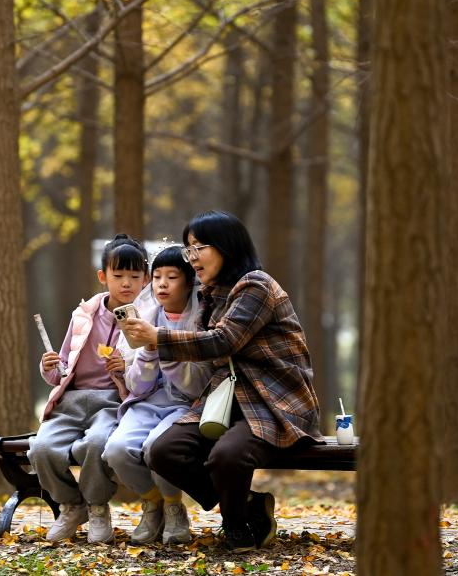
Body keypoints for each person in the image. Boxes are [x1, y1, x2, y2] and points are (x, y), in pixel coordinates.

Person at [119, 211, 321, 553]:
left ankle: (235, 522)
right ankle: (250, 504)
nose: (191, 257)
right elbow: (208, 351)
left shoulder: (256, 285)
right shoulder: (212, 294)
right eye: (188, 249)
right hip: (224, 400)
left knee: (227, 456)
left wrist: (159, 337)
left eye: (199, 247)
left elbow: (223, 341)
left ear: (227, 246)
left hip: (272, 401)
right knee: (164, 451)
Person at [28, 234, 148, 543]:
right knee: (40, 448)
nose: (126, 283)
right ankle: (72, 505)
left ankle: (97, 506)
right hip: (71, 401)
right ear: (102, 276)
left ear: (145, 279)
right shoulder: (84, 316)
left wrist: (124, 371)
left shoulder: (146, 319)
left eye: (134, 277)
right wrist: (51, 366)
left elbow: (150, 373)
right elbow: (64, 370)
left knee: (96, 443)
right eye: (118, 275)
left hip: (111, 403)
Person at [102, 246, 212, 545]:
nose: (162, 284)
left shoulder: (201, 323)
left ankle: (175, 507)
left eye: (172, 277)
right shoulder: (143, 317)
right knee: (116, 450)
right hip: (147, 404)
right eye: (157, 277)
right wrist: (148, 352)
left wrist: (164, 347)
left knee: (156, 448)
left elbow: (195, 386)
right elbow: (137, 385)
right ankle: (153, 504)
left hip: (186, 407)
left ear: (189, 282)